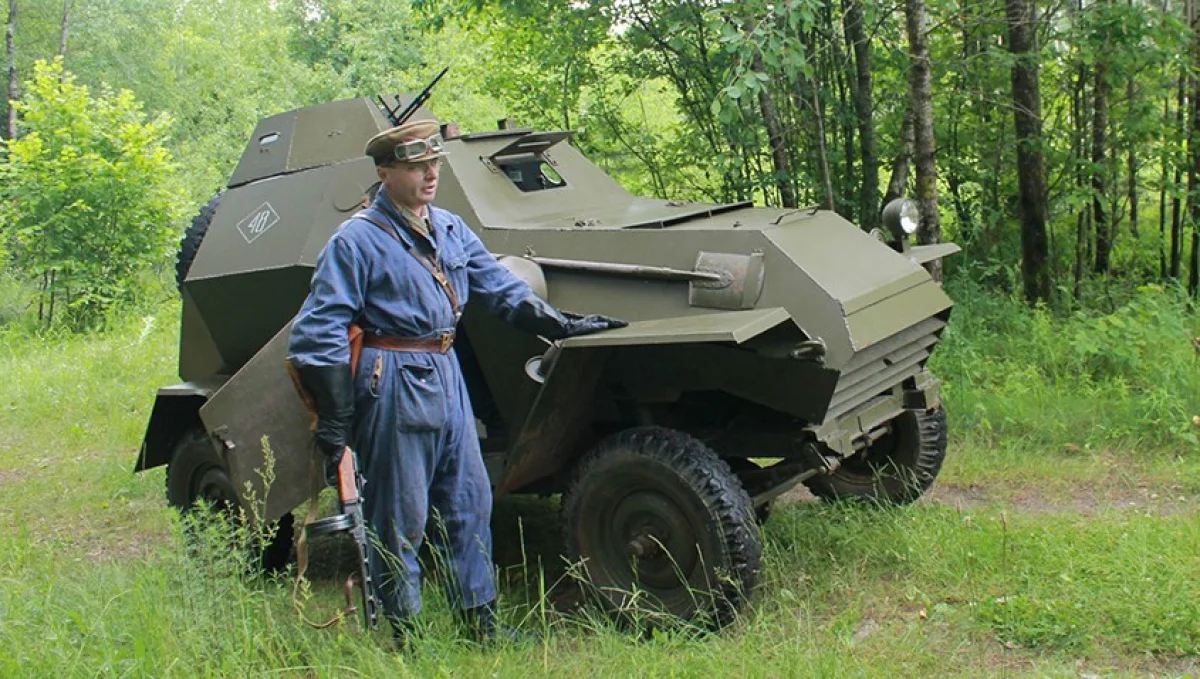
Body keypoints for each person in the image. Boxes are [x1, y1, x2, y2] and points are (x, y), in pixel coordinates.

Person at [286, 118, 625, 645]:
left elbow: (500, 290)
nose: (430, 175)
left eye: (434, 165)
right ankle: (405, 633)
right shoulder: (356, 240)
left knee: (470, 502)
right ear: (385, 173)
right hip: (393, 377)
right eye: (416, 167)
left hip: (446, 373)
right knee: (399, 515)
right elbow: (318, 332)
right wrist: (335, 417)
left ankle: (479, 622)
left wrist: (561, 325)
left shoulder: (448, 227)